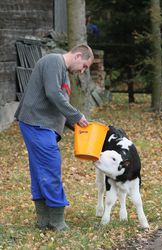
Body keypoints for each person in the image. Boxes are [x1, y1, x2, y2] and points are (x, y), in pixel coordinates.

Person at [15, 44, 94, 231]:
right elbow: (52, 94)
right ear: (77, 56)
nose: (82, 71)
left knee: (39, 170)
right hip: (36, 123)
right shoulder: (53, 61)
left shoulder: (63, 72)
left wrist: (77, 126)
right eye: (84, 66)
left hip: (42, 125)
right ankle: (57, 221)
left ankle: (43, 220)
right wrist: (76, 115)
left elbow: (59, 105)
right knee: (51, 169)